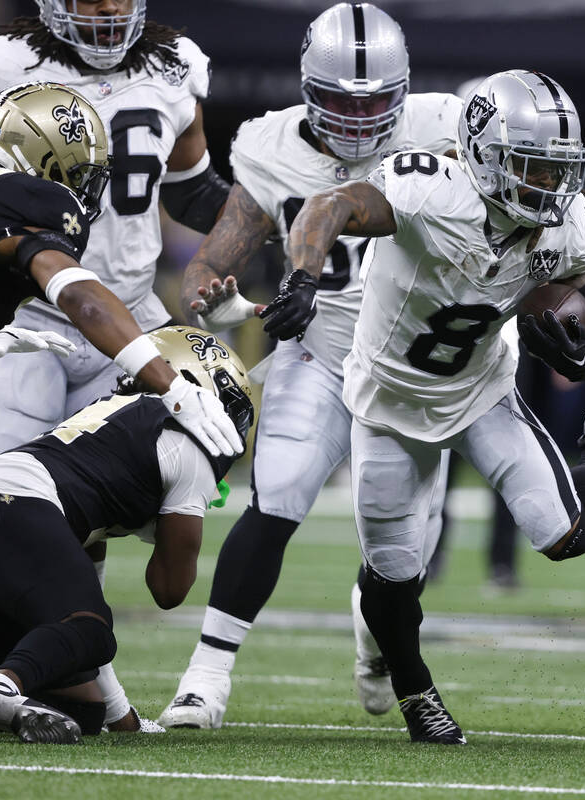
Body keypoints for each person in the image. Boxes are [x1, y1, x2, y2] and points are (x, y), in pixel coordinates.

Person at [272, 69, 585, 744]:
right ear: (484, 154)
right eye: (531, 168)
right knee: (395, 575)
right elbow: (327, 207)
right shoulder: (427, 189)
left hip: (482, 392)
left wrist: (582, 356)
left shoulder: (566, 225)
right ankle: (417, 695)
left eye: (559, 171)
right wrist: (305, 278)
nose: (549, 188)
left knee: (569, 535)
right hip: (388, 401)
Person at [0, 81, 242, 744]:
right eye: (79, 174)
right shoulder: (24, 201)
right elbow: (82, 296)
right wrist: (167, 383)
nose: (84, 190)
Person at [157, 2, 462, 729]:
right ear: (305, 87)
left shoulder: (447, 127)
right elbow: (210, 260)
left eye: (374, 101)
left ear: (405, 90)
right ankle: (206, 678)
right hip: (319, 352)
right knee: (279, 497)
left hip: (415, 372)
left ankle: (374, 627)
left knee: (404, 551)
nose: (357, 119)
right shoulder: (270, 145)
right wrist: (211, 293)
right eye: (338, 100)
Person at [0, 326, 253, 744]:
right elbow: (169, 589)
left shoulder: (113, 411)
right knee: (94, 631)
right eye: (228, 405)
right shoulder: (185, 444)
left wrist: (118, 717)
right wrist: (185, 508)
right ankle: (2, 684)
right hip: (15, 508)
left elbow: (78, 580)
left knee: (80, 707)